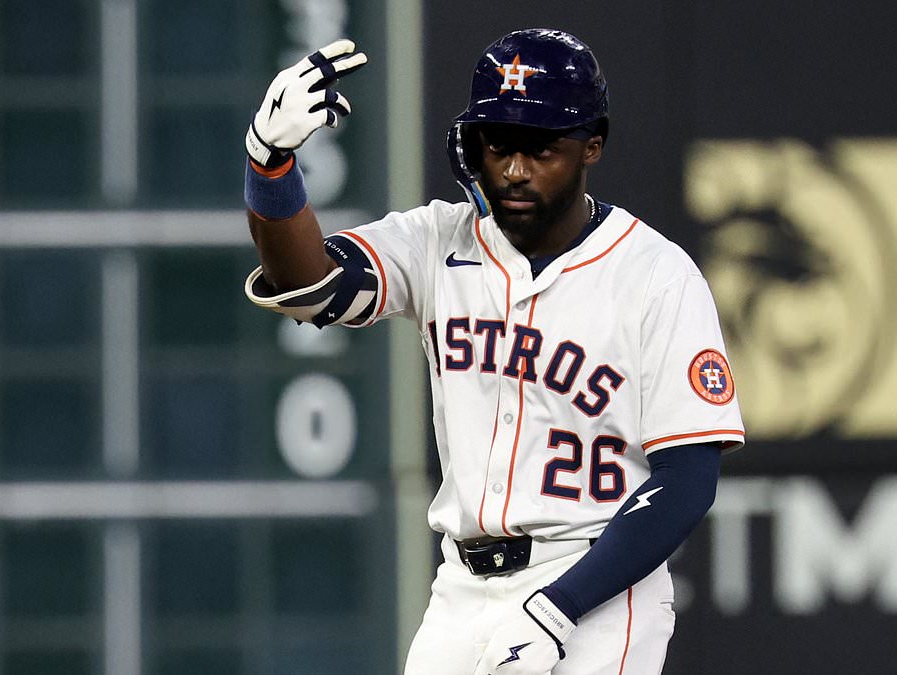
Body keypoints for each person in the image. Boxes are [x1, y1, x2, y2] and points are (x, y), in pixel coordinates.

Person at [241, 29, 745, 675]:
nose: (514, 169)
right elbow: (310, 285)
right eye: (498, 144)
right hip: (461, 586)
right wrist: (269, 165)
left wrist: (559, 609)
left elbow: (687, 481)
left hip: (594, 584)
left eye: (541, 149)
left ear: (592, 144)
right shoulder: (437, 240)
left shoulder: (656, 275)